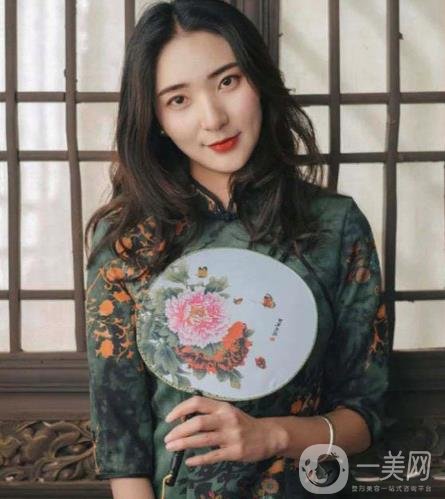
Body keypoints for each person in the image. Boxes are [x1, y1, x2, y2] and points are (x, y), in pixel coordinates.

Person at [84, 1, 390, 498]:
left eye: (227, 81)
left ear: (259, 80)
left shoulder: (334, 226)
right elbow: (123, 448)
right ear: (156, 118)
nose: (214, 118)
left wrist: (272, 435)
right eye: (178, 99)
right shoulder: (127, 240)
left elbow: (363, 417)